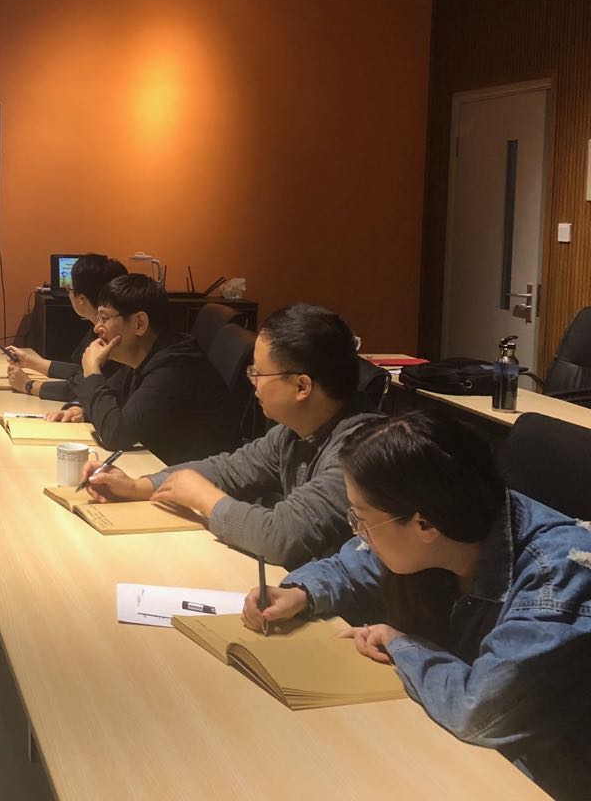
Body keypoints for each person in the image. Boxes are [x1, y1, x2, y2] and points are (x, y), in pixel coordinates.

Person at [242, 413, 591, 799]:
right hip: (464, 757)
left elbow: (478, 712)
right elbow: (355, 563)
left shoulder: (558, 574)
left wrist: (399, 643)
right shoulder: (457, 516)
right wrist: (300, 593)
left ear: (424, 525)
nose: (360, 533)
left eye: (362, 519)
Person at [85, 302, 377, 567]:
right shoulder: (292, 433)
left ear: (302, 387)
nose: (253, 382)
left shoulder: (360, 455)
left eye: (258, 374)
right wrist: (137, 486)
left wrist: (205, 497)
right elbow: (229, 469)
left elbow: (280, 537)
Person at [71, 274, 239, 464]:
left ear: (139, 323)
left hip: (198, 476)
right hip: (163, 464)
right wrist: (82, 410)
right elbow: (113, 394)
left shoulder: (175, 365)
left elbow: (115, 435)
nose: (97, 328)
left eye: (104, 318)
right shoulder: (143, 355)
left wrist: (92, 370)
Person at [5, 255, 128, 417]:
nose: (98, 327)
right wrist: (31, 362)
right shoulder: (99, 329)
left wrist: (29, 385)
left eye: (70, 289)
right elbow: (81, 372)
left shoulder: (116, 339)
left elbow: (82, 385)